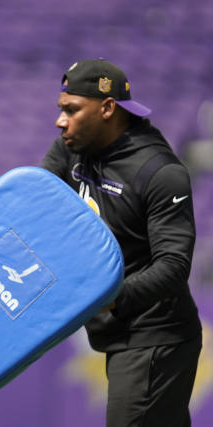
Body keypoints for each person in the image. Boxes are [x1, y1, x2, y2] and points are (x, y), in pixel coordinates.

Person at [41, 58, 202, 427]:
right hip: (118, 334)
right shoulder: (70, 147)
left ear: (107, 108)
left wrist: (108, 296)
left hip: (156, 337)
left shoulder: (161, 173)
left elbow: (173, 266)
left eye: (71, 110)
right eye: (60, 109)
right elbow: (35, 207)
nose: (60, 120)